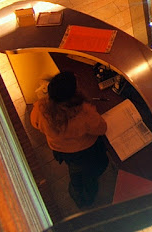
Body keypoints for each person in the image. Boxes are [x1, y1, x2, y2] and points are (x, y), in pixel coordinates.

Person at [30, 70, 109, 209]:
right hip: (84, 151)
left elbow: (34, 123)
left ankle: (78, 187)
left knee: (75, 169)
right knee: (93, 168)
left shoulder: (41, 108)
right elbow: (102, 128)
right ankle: (83, 197)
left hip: (60, 149)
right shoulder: (83, 112)